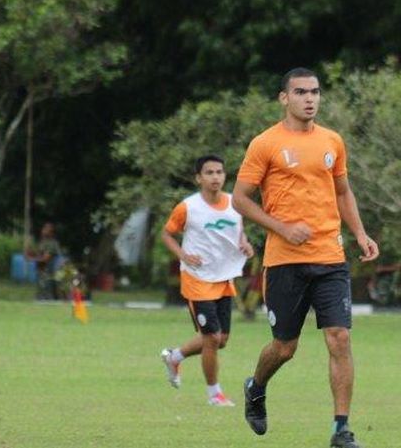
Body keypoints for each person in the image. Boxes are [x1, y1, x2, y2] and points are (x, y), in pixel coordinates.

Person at [233, 67, 379, 448]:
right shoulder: (264, 143)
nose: (309, 98)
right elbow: (240, 199)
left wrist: (360, 233)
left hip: (330, 256)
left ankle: (341, 429)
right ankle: (257, 386)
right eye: (300, 92)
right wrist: (281, 228)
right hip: (284, 261)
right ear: (284, 98)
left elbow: (343, 191)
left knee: (340, 337)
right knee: (285, 347)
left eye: (314, 92)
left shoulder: (333, 141)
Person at [160, 155, 254, 407]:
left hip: (224, 278)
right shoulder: (188, 207)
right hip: (197, 279)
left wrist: (244, 244)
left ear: (225, 176)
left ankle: (175, 357)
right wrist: (183, 255)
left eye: (219, 172)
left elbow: (238, 231)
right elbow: (166, 234)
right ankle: (215, 395)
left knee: (220, 340)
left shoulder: (236, 204)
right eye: (209, 172)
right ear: (198, 178)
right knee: (211, 337)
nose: (215, 177)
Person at [26, 222, 62, 300]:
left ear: (51, 233)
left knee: (48, 297)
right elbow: (39, 255)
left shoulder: (52, 244)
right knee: (40, 295)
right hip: (41, 273)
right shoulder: (43, 242)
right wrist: (31, 253)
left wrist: (31, 259)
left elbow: (45, 259)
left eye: (46, 229)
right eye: (44, 228)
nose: (43, 230)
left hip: (48, 275)